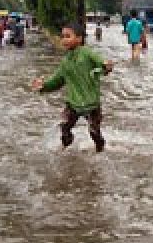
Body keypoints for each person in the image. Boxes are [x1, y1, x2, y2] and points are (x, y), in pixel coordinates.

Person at [31, 23, 113, 152]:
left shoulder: (87, 53)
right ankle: (65, 149)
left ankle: (100, 151)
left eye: (68, 36)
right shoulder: (66, 61)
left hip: (91, 104)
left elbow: (101, 63)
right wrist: (43, 86)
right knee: (64, 127)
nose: (64, 39)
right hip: (73, 103)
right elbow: (57, 81)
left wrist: (106, 66)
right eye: (62, 36)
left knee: (94, 133)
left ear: (79, 39)